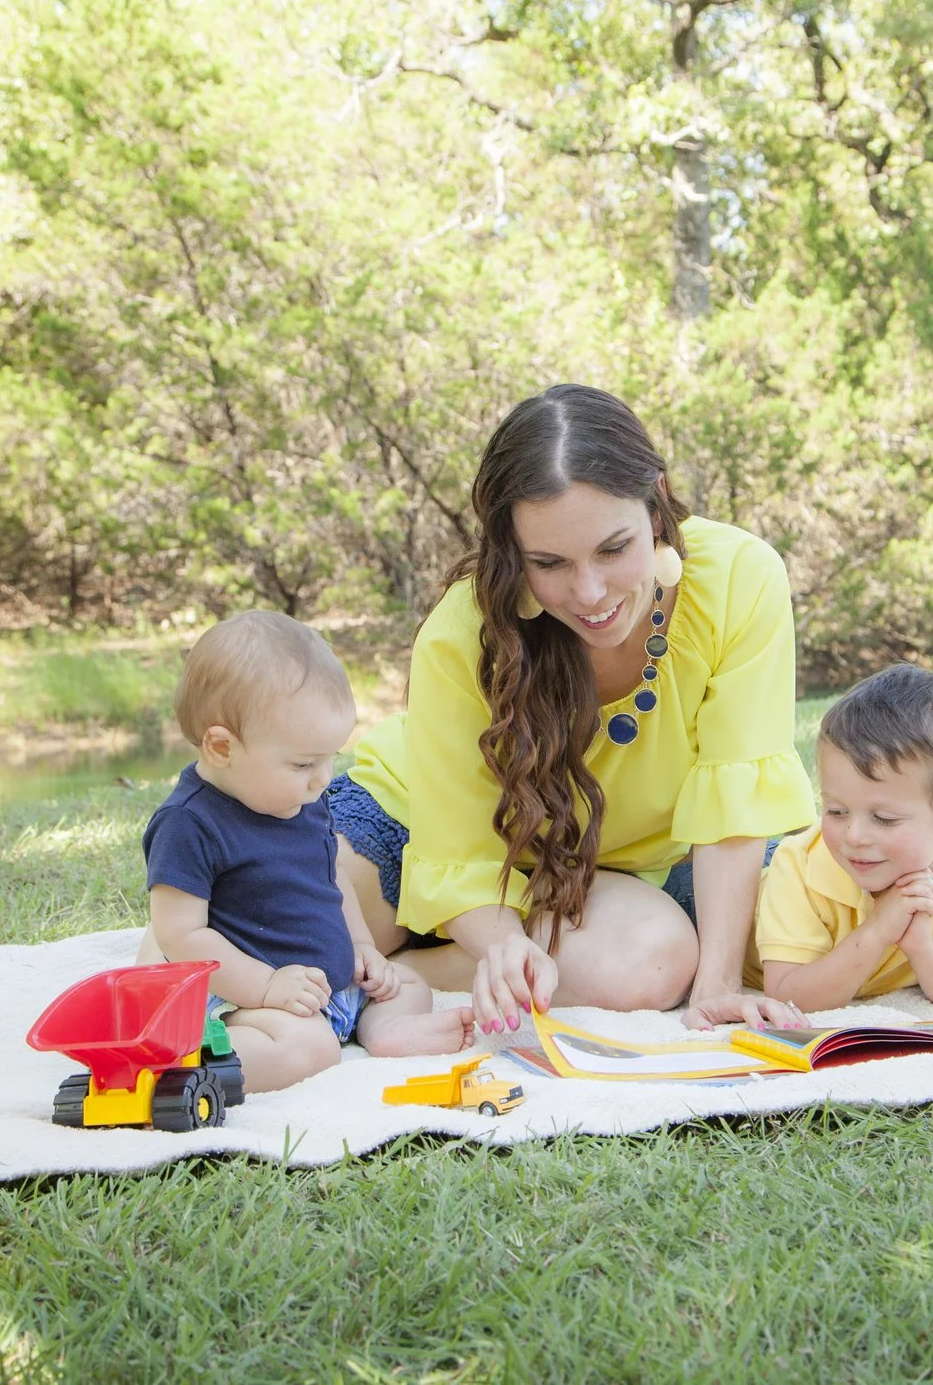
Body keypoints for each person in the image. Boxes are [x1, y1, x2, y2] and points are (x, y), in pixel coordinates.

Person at [331, 384, 815, 1035]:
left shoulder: (739, 578)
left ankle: (414, 971)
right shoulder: (460, 633)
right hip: (415, 822)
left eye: (613, 549)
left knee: (654, 965)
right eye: (549, 562)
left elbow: (737, 806)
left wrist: (716, 987)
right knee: (283, 933)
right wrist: (502, 941)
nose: (589, 593)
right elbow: (456, 850)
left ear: (657, 505)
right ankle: (423, 956)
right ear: (512, 549)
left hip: (590, 874)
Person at [138, 611, 474, 1092]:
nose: (322, 779)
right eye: (302, 764)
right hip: (242, 995)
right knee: (309, 1047)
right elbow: (180, 935)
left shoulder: (302, 800)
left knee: (404, 983)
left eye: (330, 758)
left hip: (325, 985)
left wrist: (362, 947)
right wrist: (265, 987)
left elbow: (331, 878)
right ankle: (185, 1067)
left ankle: (386, 1030)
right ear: (221, 747)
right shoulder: (188, 823)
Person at [751, 664, 933, 1011]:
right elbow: (787, 995)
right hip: (714, 894)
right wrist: (877, 930)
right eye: (836, 811)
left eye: (884, 819)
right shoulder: (799, 867)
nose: (854, 836)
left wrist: (924, 949)